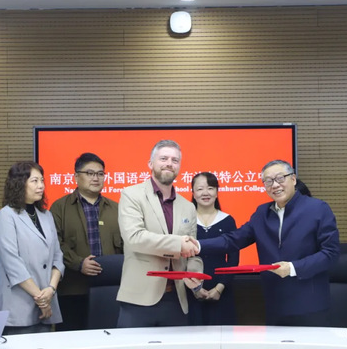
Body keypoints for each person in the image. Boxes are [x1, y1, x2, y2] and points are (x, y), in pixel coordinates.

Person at [194, 159, 339, 327]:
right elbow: (233, 239)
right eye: (268, 181)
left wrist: (293, 268)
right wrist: (197, 245)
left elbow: (331, 253)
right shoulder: (262, 213)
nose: (275, 185)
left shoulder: (318, 208)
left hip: (310, 304)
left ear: (293, 179)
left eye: (280, 178)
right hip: (274, 304)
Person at [116, 140, 203, 327]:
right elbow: (134, 238)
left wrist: (194, 272)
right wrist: (178, 244)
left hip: (176, 299)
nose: (169, 163)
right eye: (163, 158)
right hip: (139, 299)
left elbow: (193, 250)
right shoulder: (131, 195)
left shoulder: (188, 207)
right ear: (150, 163)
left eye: (175, 160)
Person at [51, 152, 122, 331]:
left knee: (109, 338)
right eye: (90, 173)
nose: (96, 178)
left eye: (100, 174)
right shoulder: (60, 207)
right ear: (76, 176)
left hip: (110, 290)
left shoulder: (116, 208)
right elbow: (55, 244)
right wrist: (79, 263)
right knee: (72, 339)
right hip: (72, 289)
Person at [0, 161, 65, 335]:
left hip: (47, 301)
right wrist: (41, 299)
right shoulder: (6, 216)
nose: (41, 186)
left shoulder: (46, 215)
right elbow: (13, 264)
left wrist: (51, 290)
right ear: (19, 184)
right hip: (20, 305)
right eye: (34, 181)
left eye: (42, 180)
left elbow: (58, 257)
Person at [188, 172, 239, 326]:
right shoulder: (185, 221)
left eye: (210, 188)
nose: (205, 193)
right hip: (190, 289)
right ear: (193, 193)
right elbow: (180, 257)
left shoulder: (227, 220)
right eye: (200, 189)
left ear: (217, 192)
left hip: (222, 289)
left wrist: (220, 288)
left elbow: (234, 259)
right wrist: (195, 288)